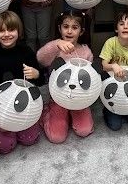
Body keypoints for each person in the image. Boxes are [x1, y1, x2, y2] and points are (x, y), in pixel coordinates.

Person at [0, 11, 45, 150]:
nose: (6, 34)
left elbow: (40, 82)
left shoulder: (26, 51)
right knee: (5, 146)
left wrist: (36, 74)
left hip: (25, 103)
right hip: (2, 106)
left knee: (30, 139)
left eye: (11, 29)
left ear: (19, 31)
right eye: (1, 31)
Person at [37, 11, 95, 143]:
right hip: (58, 97)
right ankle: (47, 113)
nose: (69, 31)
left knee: (84, 130)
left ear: (81, 31)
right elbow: (40, 58)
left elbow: (91, 78)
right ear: (59, 28)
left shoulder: (86, 51)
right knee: (57, 137)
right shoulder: (55, 48)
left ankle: (74, 116)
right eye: (65, 26)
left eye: (74, 27)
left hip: (79, 98)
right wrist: (56, 43)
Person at [100, 9, 128, 130]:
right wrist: (114, 66)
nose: (125, 27)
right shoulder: (111, 42)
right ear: (116, 29)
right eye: (121, 24)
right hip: (111, 84)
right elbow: (104, 65)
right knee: (115, 126)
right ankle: (109, 110)